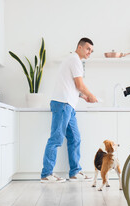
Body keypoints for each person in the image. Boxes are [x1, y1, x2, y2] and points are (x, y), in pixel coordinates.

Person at [41, 38, 97, 183]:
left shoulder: (73, 60)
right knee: (56, 139)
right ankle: (46, 174)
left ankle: (75, 172)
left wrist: (83, 97)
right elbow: (79, 84)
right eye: (88, 49)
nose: (89, 52)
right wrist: (91, 95)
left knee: (75, 138)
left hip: (68, 105)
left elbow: (71, 85)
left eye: (91, 50)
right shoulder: (75, 60)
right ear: (79, 47)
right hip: (63, 104)